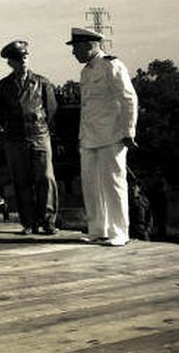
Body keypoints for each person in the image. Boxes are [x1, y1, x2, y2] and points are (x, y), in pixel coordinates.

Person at [67, 27, 138, 246]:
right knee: (91, 186)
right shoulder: (86, 71)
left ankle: (119, 233)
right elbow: (87, 107)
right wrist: (81, 136)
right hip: (90, 137)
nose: (73, 52)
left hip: (111, 135)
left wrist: (128, 131)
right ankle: (98, 230)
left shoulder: (111, 65)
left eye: (76, 47)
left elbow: (129, 99)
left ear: (89, 45)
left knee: (113, 184)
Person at [0, 40, 59, 235]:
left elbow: (51, 108)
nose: (23, 61)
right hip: (15, 138)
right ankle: (29, 222)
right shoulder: (3, 86)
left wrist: (41, 127)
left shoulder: (42, 82)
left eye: (24, 57)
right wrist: (10, 127)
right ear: (10, 62)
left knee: (46, 178)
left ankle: (48, 220)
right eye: (18, 59)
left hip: (39, 135)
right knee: (21, 180)